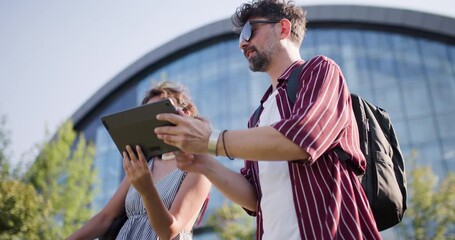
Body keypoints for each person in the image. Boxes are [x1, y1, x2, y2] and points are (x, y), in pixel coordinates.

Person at [154, 0, 382, 239]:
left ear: (283, 28)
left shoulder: (320, 71)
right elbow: (254, 198)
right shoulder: (257, 118)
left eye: (249, 30)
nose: (243, 43)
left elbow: (303, 139)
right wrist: (204, 163)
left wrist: (211, 140)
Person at [67, 81, 212, 240]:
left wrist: (147, 190)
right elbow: (105, 218)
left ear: (187, 113)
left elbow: (169, 232)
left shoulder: (199, 167)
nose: (153, 121)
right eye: (147, 116)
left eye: (158, 112)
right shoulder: (145, 164)